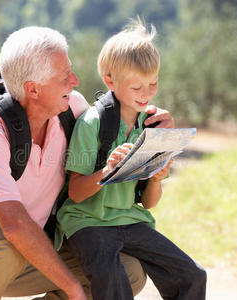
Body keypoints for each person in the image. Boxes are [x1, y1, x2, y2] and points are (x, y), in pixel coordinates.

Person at [0, 26, 175, 300]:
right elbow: (14, 225)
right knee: (9, 242)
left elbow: (117, 128)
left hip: (24, 247)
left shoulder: (72, 109)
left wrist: (151, 122)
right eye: (64, 76)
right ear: (33, 89)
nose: (75, 80)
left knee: (125, 270)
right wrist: (72, 288)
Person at [56, 19, 207, 300]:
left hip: (129, 219)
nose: (147, 94)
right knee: (112, 279)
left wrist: (158, 179)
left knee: (192, 275)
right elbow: (75, 194)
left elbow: (149, 202)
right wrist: (108, 170)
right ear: (110, 81)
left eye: (153, 84)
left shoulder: (151, 126)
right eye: (137, 87)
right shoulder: (92, 123)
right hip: (87, 221)